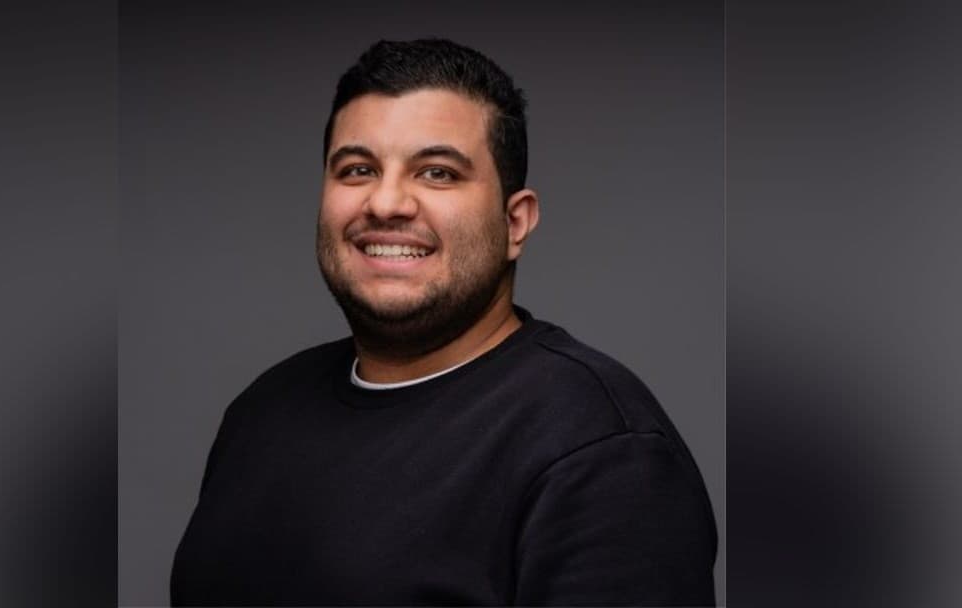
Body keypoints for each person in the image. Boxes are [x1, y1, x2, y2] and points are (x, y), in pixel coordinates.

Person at [170, 38, 716, 606]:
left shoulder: (601, 449)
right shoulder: (263, 411)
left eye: (436, 173)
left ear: (515, 223)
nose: (386, 203)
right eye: (358, 170)